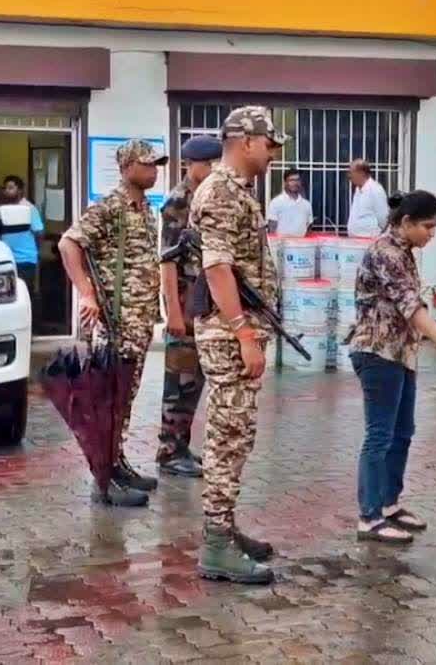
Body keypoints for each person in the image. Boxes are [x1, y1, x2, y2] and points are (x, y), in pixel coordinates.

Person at [191, 106, 285, 584]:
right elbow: (217, 267)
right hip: (230, 335)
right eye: (269, 144)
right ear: (246, 140)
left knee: (237, 435)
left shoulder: (238, 191)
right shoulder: (223, 191)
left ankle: (224, 530)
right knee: (227, 438)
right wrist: (243, 333)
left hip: (237, 331)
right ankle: (215, 545)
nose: (273, 154)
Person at [348, 190, 436, 543]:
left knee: (403, 432)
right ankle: (369, 517)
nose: (432, 235)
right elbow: (412, 308)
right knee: (380, 435)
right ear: (405, 222)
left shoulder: (405, 252)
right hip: (377, 353)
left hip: (401, 353)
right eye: (427, 227)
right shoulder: (386, 253)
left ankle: (389, 504)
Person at [58, 139, 165, 507]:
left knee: (124, 401)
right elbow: (68, 244)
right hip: (115, 324)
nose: (154, 171)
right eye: (147, 164)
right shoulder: (110, 206)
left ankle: (116, 464)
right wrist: (87, 294)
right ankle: (103, 481)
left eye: (156, 164)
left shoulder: (144, 209)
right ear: (126, 167)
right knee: (106, 403)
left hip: (137, 323)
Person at [157, 135, 221, 478]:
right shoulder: (177, 203)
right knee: (178, 379)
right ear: (188, 164)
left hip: (202, 304)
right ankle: (168, 450)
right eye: (205, 164)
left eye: (215, 164)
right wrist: (174, 313)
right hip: (184, 303)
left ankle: (180, 445)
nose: (211, 170)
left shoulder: (206, 199)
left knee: (193, 379)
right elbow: (167, 262)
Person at [0, 175, 44, 291]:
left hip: (25, 259)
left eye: (11, 188)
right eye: (5, 188)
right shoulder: (2, 209)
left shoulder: (29, 209)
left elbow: (39, 232)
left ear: (20, 190)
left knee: (24, 292)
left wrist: (36, 252)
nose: (7, 191)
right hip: (6, 259)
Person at [347, 159, 389, 238]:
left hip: (369, 240)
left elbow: (383, 218)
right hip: (356, 240)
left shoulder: (375, 189)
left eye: (351, 172)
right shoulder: (358, 189)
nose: (349, 176)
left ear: (361, 173)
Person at [267, 167, 313, 237]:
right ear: (285, 182)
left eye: (297, 180)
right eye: (292, 180)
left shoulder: (307, 205)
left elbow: (309, 227)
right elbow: (272, 229)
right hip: (282, 246)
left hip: (302, 245)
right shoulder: (276, 202)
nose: (295, 183)